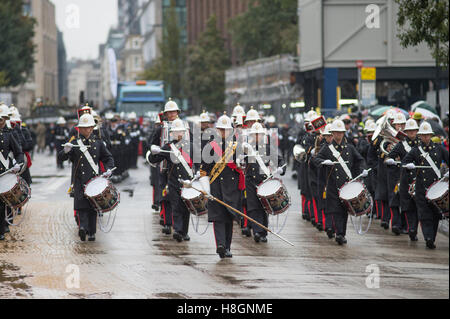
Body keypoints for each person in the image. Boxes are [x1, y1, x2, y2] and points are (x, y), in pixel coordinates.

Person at [58, 114, 114, 242]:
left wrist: (109, 169)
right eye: (83, 128)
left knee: (92, 206)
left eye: (88, 127)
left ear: (92, 128)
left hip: (93, 179)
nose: (86, 130)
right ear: (79, 129)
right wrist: (65, 151)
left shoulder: (98, 143)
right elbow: (61, 157)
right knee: (81, 205)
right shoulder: (74, 143)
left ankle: (92, 232)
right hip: (79, 179)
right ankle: (82, 227)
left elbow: (108, 158)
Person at [313, 119, 367, 245]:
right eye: (336, 133)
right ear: (332, 133)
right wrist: (323, 162)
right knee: (336, 210)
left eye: (340, 132)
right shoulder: (327, 149)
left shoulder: (350, 148)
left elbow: (360, 160)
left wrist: (363, 170)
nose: (338, 135)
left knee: (344, 211)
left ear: (343, 133)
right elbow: (316, 159)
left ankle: (342, 233)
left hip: (346, 185)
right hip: (332, 185)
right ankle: (339, 233)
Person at [199, 114, 245, 258]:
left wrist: (241, 163)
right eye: (221, 129)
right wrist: (205, 187)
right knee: (218, 217)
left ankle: (227, 246)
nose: (223, 132)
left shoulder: (237, 146)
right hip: (216, 187)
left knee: (229, 218)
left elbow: (244, 166)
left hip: (232, 187)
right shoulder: (210, 147)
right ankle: (220, 245)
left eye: (226, 130)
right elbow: (204, 170)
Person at [403, 122, 449, 249]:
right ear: (420, 136)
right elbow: (405, 162)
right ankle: (428, 238)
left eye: (427, 135)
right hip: (421, 187)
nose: (425, 138)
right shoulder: (415, 150)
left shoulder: (439, 148)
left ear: (431, 135)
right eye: (423, 135)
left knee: (435, 215)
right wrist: (409, 167)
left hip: (436, 187)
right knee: (424, 214)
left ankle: (432, 238)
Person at [148, 118, 194, 242]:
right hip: (173, 182)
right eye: (176, 132)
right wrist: (153, 152)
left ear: (184, 133)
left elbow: (199, 163)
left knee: (186, 208)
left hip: (188, 183)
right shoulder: (168, 147)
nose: (178, 134)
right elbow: (154, 160)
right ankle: (178, 230)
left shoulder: (191, 146)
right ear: (172, 133)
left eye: (180, 131)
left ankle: (185, 231)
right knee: (176, 206)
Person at [244, 122, 285, 243]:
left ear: (263, 135)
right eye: (255, 134)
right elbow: (238, 160)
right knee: (253, 207)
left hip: (264, 180)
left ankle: (263, 232)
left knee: (264, 207)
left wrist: (281, 168)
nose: (257, 136)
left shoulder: (268, 148)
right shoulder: (246, 147)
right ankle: (257, 231)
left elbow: (280, 159)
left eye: (259, 134)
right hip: (251, 180)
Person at [386, 118, 419, 241]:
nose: (412, 133)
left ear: (416, 131)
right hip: (404, 178)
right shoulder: (401, 145)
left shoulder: (421, 145)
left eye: (413, 131)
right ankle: (404, 227)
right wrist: (392, 161)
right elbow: (389, 157)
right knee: (405, 204)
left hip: (418, 178)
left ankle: (412, 228)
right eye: (409, 131)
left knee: (417, 206)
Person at [0, 103, 24, 241]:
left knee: (2, 202)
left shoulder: (9, 135)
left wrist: (18, 164)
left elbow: (18, 152)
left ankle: (1, 229)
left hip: (5, 171)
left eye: (1, 120)